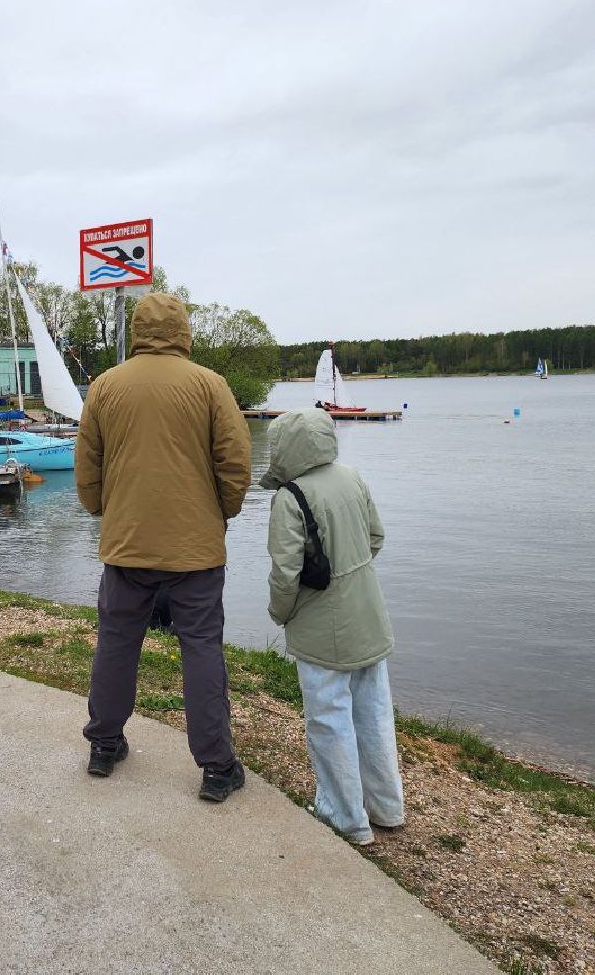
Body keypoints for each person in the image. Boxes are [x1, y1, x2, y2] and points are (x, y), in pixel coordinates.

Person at [75, 294, 252, 801]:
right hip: (194, 551)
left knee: (116, 643)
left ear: (137, 329)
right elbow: (235, 464)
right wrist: (221, 512)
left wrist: (102, 511)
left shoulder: (106, 387)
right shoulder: (210, 385)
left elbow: (88, 464)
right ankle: (217, 768)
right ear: (182, 330)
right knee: (200, 649)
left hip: (126, 545)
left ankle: (103, 745)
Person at [261, 408, 404, 846]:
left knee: (329, 719)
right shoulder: (352, 476)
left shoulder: (291, 497)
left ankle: (345, 816)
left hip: (322, 628)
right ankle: (387, 807)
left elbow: (286, 573)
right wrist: (352, 574)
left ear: (284, 447)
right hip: (369, 615)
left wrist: (280, 613)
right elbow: (376, 537)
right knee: (375, 715)